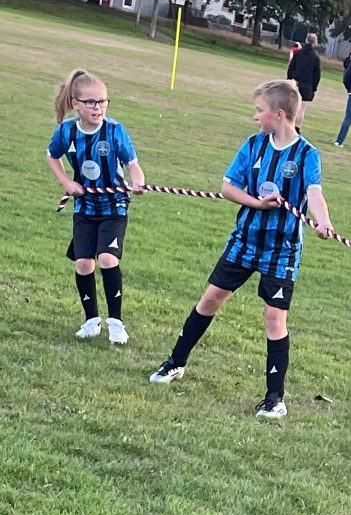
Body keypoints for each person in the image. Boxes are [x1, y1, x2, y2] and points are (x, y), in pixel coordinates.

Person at [149, 80, 334, 419]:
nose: (255, 117)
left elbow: (315, 193)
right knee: (210, 299)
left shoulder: (308, 154)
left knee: (274, 318)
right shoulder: (253, 145)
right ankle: (175, 362)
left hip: (282, 250)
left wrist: (323, 221)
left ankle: (275, 399)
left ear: (279, 114)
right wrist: (257, 204)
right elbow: (227, 187)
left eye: (259, 111)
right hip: (244, 241)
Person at [46, 68, 146, 345]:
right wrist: (67, 182)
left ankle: (116, 323)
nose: (98, 107)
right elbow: (52, 156)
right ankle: (91, 321)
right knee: (83, 263)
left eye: (103, 101)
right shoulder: (66, 131)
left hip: (114, 206)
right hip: (85, 207)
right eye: (91, 102)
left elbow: (133, 165)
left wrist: (138, 181)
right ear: (76, 104)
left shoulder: (114, 130)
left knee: (107, 259)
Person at [287, 32, 321, 133]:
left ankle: (289, 126)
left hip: (295, 82)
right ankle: (297, 128)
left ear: (306, 40)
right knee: (301, 108)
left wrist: (289, 79)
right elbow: (317, 74)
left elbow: (291, 67)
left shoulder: (298, 53)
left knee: (293, 107)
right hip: (307, 85)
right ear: (315, 42)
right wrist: (314, 87)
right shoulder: (315, 57)